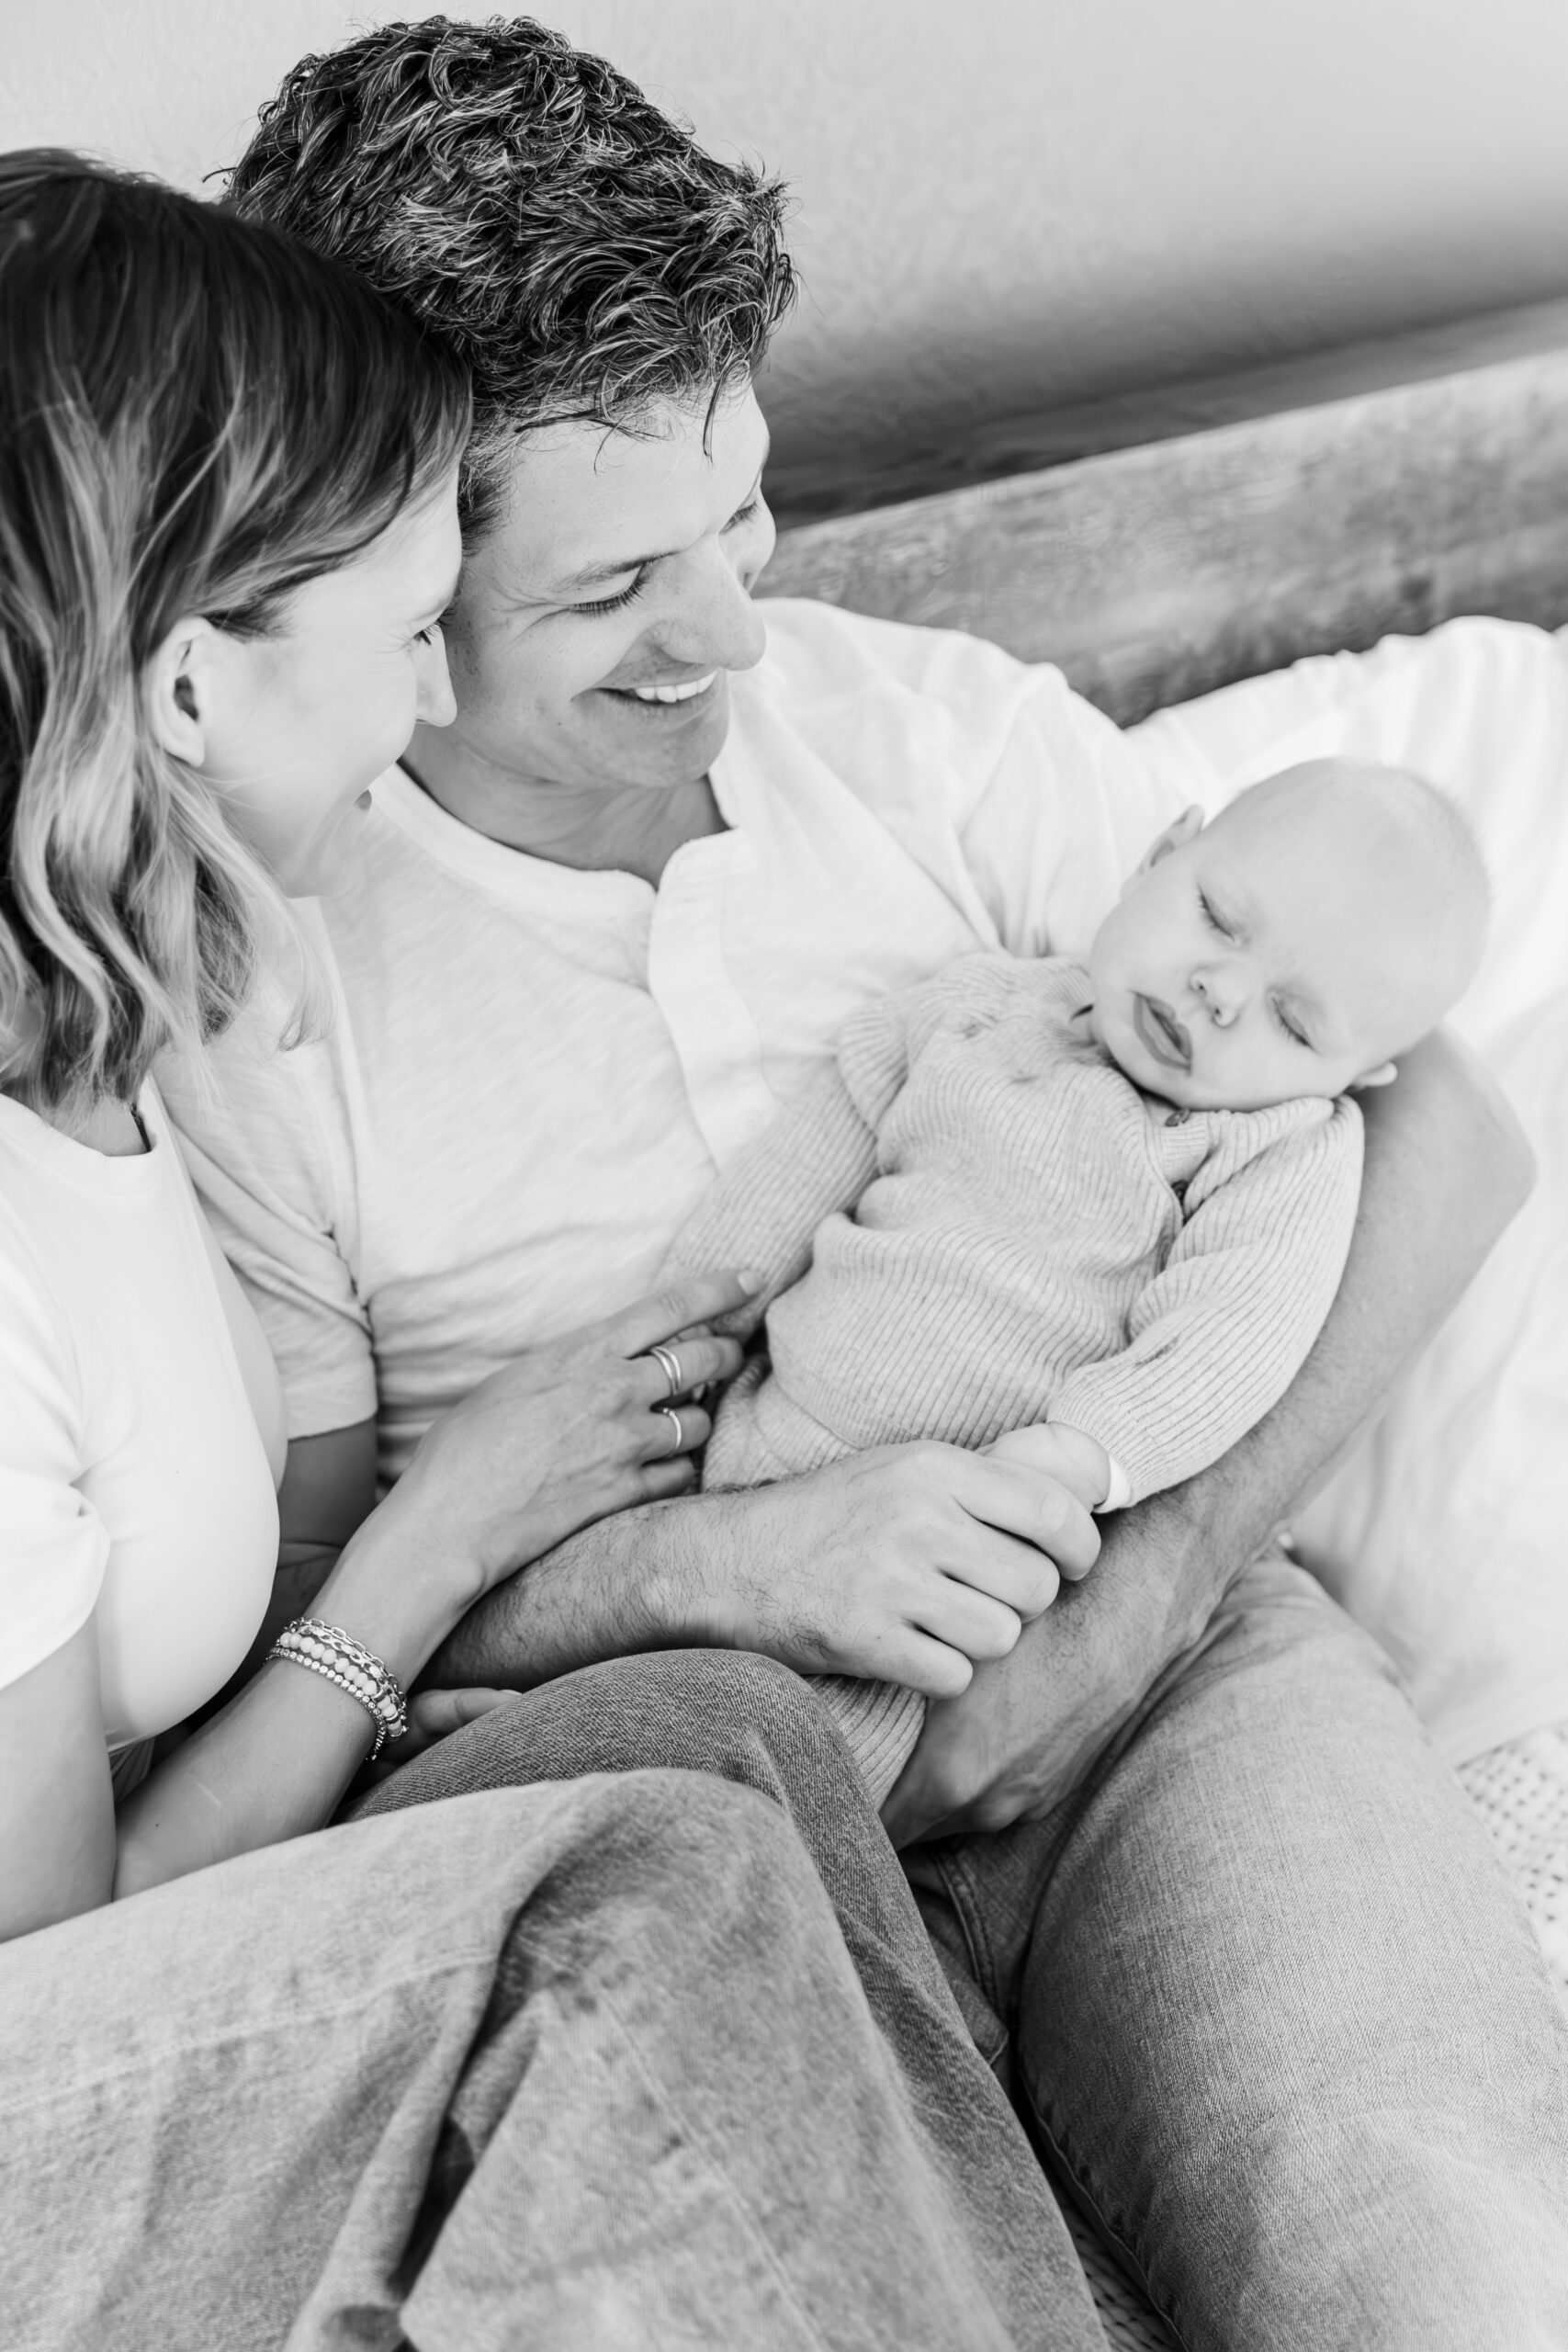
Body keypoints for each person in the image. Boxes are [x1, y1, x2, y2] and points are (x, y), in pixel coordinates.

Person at [170, 18, 1568, 2347]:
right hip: (670, 1785)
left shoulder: (919, 732)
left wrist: (1130, 1603)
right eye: (613, 588)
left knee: (1427, 2234)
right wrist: (727, 1560)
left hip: (1154, 1670)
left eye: (739, 514)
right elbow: (320, 1623)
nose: (729, 633)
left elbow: (1430, 1122)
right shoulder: (267, 975)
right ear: (382, 554)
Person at [0, 153, 1100, 2352]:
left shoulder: (126, 1035)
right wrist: (440, 1537)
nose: (426, 713)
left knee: (699, 1734)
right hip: (52, 2060)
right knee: (647, 1884)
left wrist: (205, 936)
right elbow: (68, 1977)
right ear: (196, 689)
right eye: (412, 632)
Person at [658, 761, 1490, 1799]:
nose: (1220, 994)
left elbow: (1233, 1338)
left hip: (957, 1544)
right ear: (1156, 855)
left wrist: (1093, 1451)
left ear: (1354, 1076)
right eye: (1220, 920)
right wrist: (693, 1318)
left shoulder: (1275, 1150)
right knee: (651, 1659)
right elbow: (815, 1154)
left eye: (1296, 1021)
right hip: (748, 1452)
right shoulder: (975, 1006)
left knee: (792, 1773)